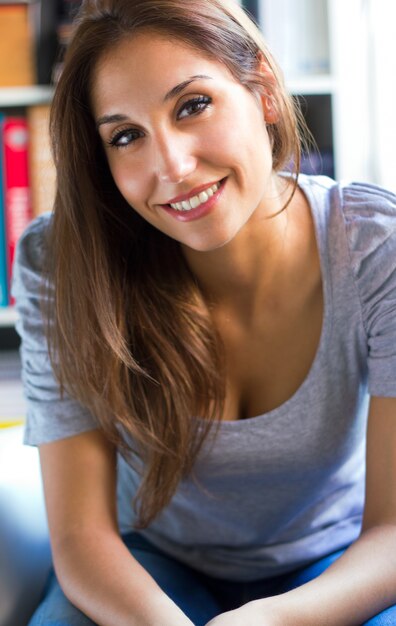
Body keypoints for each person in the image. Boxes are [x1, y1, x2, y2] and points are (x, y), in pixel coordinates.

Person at [12, 0, 396, 624]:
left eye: (193, 105)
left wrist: (274, 620)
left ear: (264, 94)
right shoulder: (61, 264)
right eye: (126, 136)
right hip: (147, 568)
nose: (172, 168)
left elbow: (393, 533)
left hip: (340, 564)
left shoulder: (375, 247)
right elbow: (81, 540)